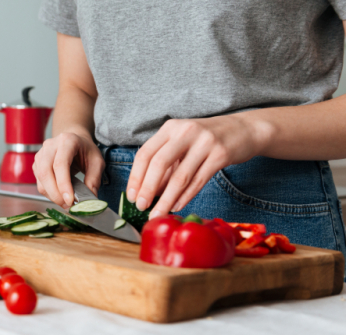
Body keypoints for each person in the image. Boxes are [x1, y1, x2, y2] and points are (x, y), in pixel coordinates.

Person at [36, 0, 346, 275]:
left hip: (261, 195)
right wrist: (72, 133)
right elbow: (78, 88)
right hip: (110, 200)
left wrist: (250, 129)